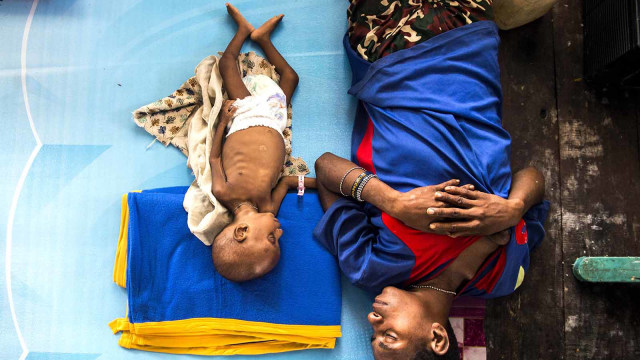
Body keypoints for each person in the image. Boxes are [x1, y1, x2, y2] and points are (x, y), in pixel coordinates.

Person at [313, 1, 550, 358]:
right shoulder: (503, 276)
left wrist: (394, 203)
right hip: (470, 52)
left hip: (390, 52)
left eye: (371, 336)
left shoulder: (370, 269)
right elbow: (534, 177)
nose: (372, 320)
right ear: (438, 338)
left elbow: (325, 168)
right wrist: (513, 208)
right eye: (388, 336)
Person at [210, 4, 314, 282]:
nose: (280, 232)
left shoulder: (223, 192)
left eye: (271, 238)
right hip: (275, 121)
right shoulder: (268, 208)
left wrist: (223, 120)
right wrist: (323, 185)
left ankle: (243, 31)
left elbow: (214, 159)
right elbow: (290, 183)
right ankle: (263, 40)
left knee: (226, 64)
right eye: (277, 240)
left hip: (245, 115)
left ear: (241, 232)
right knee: (291, 78)